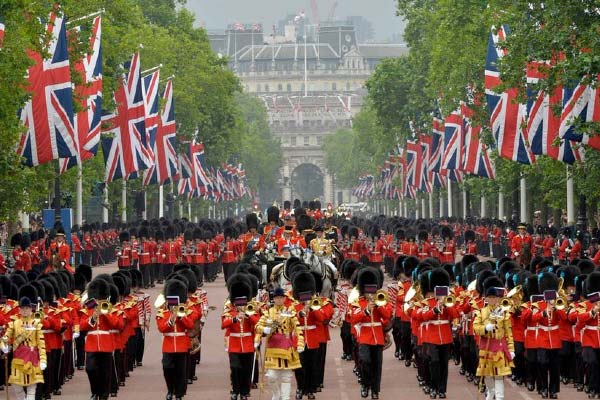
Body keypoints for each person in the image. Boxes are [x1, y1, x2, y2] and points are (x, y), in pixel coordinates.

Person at [254, 287, 304, 400]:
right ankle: (276, 394)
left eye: (281, 298)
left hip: (286, 346)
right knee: (271, 376)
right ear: (274, 299)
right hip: (273, 347)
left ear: (284, 299)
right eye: (277, 298)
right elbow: (257, 326)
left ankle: (285, 398)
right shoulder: (268, 312)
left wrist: (300, 343)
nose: (279, 300)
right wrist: (265, 330)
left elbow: (298, 329)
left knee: (286, 377)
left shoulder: (290, 312)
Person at [351, 267, 392, 399]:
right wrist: (366, 310)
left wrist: (378, 305)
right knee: (364, 361)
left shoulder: (382, 300)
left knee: (377, 365)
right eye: (367, 289)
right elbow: (353, 318)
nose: (370, 292)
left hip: (378, 337)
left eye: (372, 289)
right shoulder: (358, 303)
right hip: (364, 337)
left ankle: (375, 390)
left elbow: (387, 316)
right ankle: (365, 384)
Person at [0, 285, 47, 400]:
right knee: (17, 387)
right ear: (19, 310)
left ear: (31, 309)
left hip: (32, 359)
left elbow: (41, 344)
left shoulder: (36, 324)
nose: (25, 310)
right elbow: (5, 337)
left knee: (32, 388)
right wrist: (4, 345)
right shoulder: (14, 324)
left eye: (27, 308)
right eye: (23, 308)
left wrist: (43, 360)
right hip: (18, 359)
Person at [473, 276, 515, 400]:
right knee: (487, 376)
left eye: (494, 297)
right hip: (486, 348)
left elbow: (508, 333)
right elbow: (476, 327)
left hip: (500, 348)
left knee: (499, 376)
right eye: (489, 297)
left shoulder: (504, 313)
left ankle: (500, 397)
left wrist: (511, 349)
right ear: (486, 298)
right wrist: (485, 328)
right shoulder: (480, 312)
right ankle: (490, 391)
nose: (492, 300)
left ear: (498, 298)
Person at [156, 278, 198, 400]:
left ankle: (179, 393)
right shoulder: (162, 312)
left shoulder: (184, 311)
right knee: (167, 368)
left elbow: (190, 325)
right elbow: (161, 328)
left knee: (181, 371)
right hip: (168, 344)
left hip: (181, 344)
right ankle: (170, 390)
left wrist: (180, 317)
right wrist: (170, 320)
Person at [222, 274, 260, 400]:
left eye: (243, 302)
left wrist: (248, 315)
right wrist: (234, 318)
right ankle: (235, 390)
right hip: (234, 344)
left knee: (246, 369)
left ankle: (244, 392)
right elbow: (223, 324)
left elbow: (258, 322)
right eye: (239, 302)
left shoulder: (251, 311)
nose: (241, 304)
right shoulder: (229, 312)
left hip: (248, 344)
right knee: (235, 368)